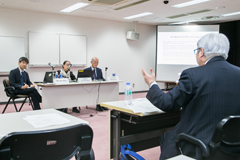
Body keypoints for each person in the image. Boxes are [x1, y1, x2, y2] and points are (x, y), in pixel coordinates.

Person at [142, 33, 240, 160]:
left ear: (201, 52)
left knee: (166, 137)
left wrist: (152, 83)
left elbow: (167, 103)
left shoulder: (192, 74)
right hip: (231, 145)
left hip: (198, 145)